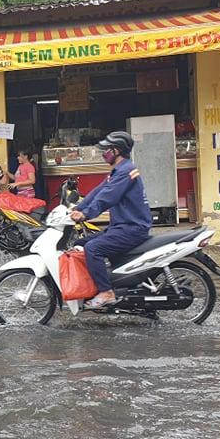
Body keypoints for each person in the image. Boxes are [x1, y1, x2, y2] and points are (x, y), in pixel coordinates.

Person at [70, 131, 152, 309]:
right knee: (81, 243)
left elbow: (107, 197)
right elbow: (98, 192)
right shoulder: (117, 172)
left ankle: (106, 292)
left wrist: (86, 214)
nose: (103, 153)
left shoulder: (126, 172)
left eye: (106, 149)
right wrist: (78, 207)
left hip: (132, 228)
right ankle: (102, 284)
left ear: (116, 151)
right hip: (120, 226)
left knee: (93, 248)